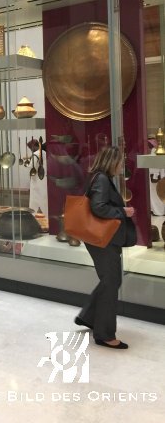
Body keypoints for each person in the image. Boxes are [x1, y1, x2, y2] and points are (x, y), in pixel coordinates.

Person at [75, 146, 135, 349]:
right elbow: (98, 207)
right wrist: (122, 211)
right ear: (112, 162)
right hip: (103, 239)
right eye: (120, 162)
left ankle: (89, 316)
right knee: (111, 282)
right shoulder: (101, 179)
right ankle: (104, 334)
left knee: (111, 280)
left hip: (101, 238)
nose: (121, 166)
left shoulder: (99, 177)